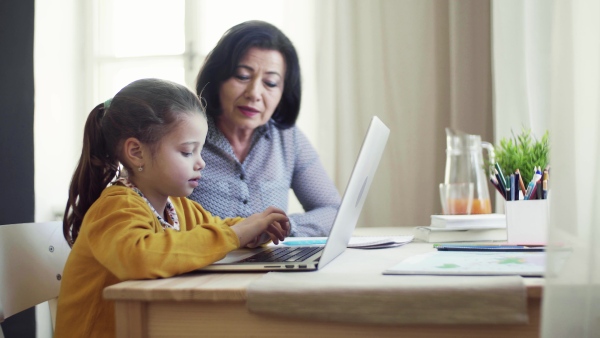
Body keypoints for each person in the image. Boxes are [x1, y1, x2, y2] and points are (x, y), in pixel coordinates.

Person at [54, 78, 290, 338]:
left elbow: (217, 229)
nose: (200, 163)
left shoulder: (179, 207)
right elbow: (140, 257)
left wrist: (254, 232)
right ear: (136, 152)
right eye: (188, 152)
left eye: (200, 152)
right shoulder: (115, 206)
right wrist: (236, 235)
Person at [188, 20, 341, 238]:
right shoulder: (185, 134)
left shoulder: (288, 138)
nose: (254, 93)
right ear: (217, 78)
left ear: (283, 92)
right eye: (242, 76)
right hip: (203, 266)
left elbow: (333, 210)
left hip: (269, 266)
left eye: (270, 83)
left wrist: (286, 226)